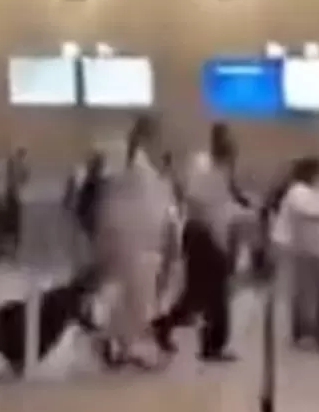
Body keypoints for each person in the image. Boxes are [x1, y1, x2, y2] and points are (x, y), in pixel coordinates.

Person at [152, 122, 245, 363]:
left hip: (203, 235)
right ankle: (212, 345)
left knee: (197, 293)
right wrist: (217, 236)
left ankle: (166, 325)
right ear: (226, 156)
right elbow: (196, 203)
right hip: (202, 235)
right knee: (215, 294)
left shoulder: (220, 174)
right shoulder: (207, 171)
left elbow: (224, 204)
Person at [95, 115, 174, 368]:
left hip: (143, 237)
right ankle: (125, 344)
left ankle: (118, 342)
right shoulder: (125, 158)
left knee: (132, 293)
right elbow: (109, 193)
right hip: (129, 236)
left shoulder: (142, 162)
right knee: (137, 293)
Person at [271, 156, 319, 349]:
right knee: (306, 294)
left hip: (315, 250)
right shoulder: (298, 192)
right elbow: (312, 214)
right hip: (305, 251)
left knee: (307, 293)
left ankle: (305, 333)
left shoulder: (314, 193)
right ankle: (305, 334)